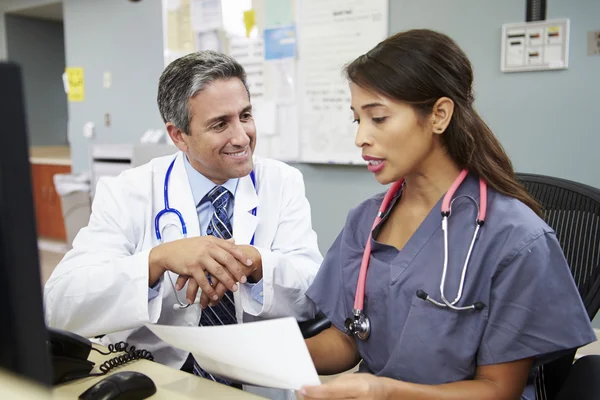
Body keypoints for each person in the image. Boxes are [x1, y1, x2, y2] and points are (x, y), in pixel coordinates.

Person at [300, 29, 596, 400]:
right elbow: (348, 340)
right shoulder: (366, 221)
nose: (361, 137)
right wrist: (278, 355)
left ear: (439, 115)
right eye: (356, 119)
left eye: (377, 118)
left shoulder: (515, 238)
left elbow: (497, 389)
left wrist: (386, 391)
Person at [44, 51, 322, 399]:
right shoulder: (128, 192)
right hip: (157, 379)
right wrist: (156, 261)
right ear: (178, 135)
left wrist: (253, 263)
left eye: (246, 116)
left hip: (256, 383)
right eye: (220, 124)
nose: (242, 137)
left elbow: (314, 291)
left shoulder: (283, 183)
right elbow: (60, 305)